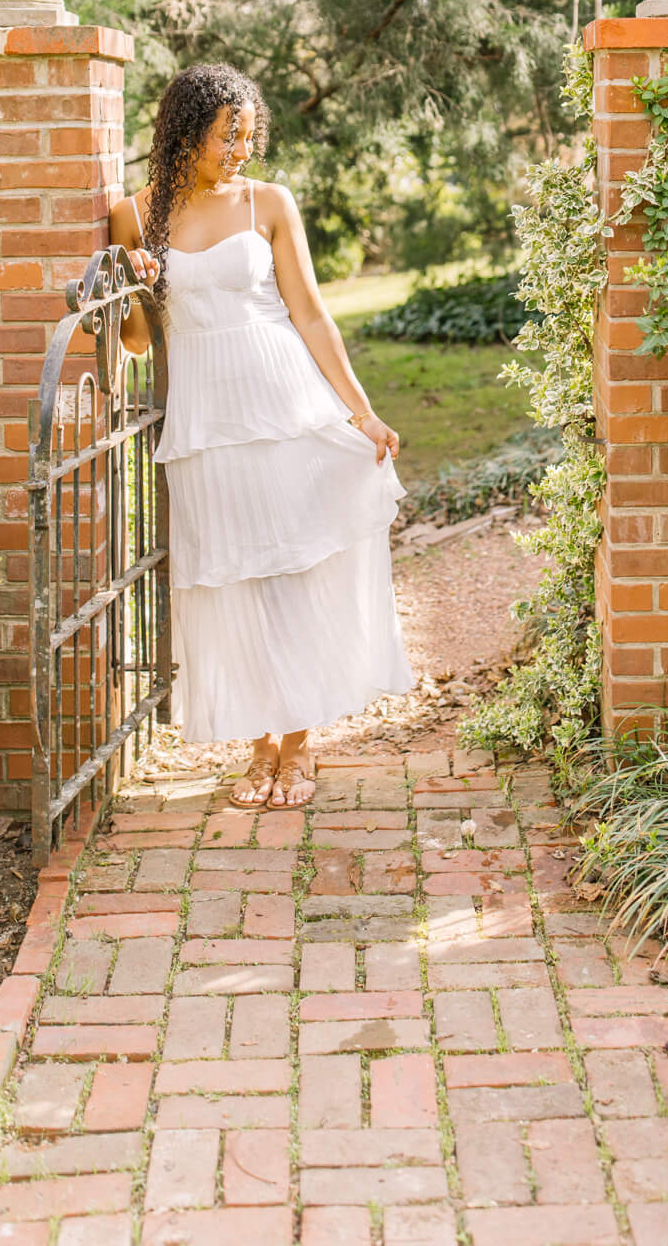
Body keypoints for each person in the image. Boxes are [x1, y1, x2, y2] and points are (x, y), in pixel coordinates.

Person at [111, 63, 412, 809]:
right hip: (207, 426)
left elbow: (310, 315)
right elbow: (136, 343)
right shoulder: (135, 214)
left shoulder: (267, 203)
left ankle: (297, 750)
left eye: (249, 135)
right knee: (232, 583)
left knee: (293, 575)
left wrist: (361, 412)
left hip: (288, 409)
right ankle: (257, 749)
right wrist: (137, 280)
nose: (241, 149)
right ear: (186, 130)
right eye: (227, 135)